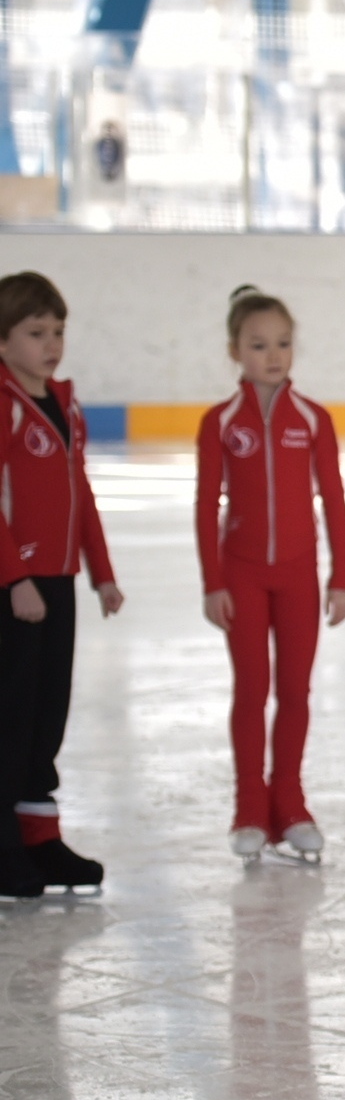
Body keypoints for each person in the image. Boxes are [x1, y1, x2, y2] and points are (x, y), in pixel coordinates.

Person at [197, 286, 345, 865]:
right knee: (251, 690)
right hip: (241, 576)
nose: (273, 355)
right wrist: (213, 581)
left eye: (283, 344)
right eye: (258, 345)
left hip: (298, 578)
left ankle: (290, 802)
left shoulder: (314, 420)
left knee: (295, 691)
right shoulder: (219, 423)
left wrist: (341, 576)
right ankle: (249, 808)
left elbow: (332, 498)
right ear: (234, 349)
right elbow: (204, 502)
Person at [0, 271, 122, 898]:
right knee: (11, 716)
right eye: (35, 332)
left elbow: (82, 494)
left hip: (59, 578)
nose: (51, 344)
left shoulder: (61, 403)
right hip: (14, 585)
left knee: (48, 716)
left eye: (58, 331)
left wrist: (99, 571)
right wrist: (14, 577)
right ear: (3, 340)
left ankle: (39, 842)